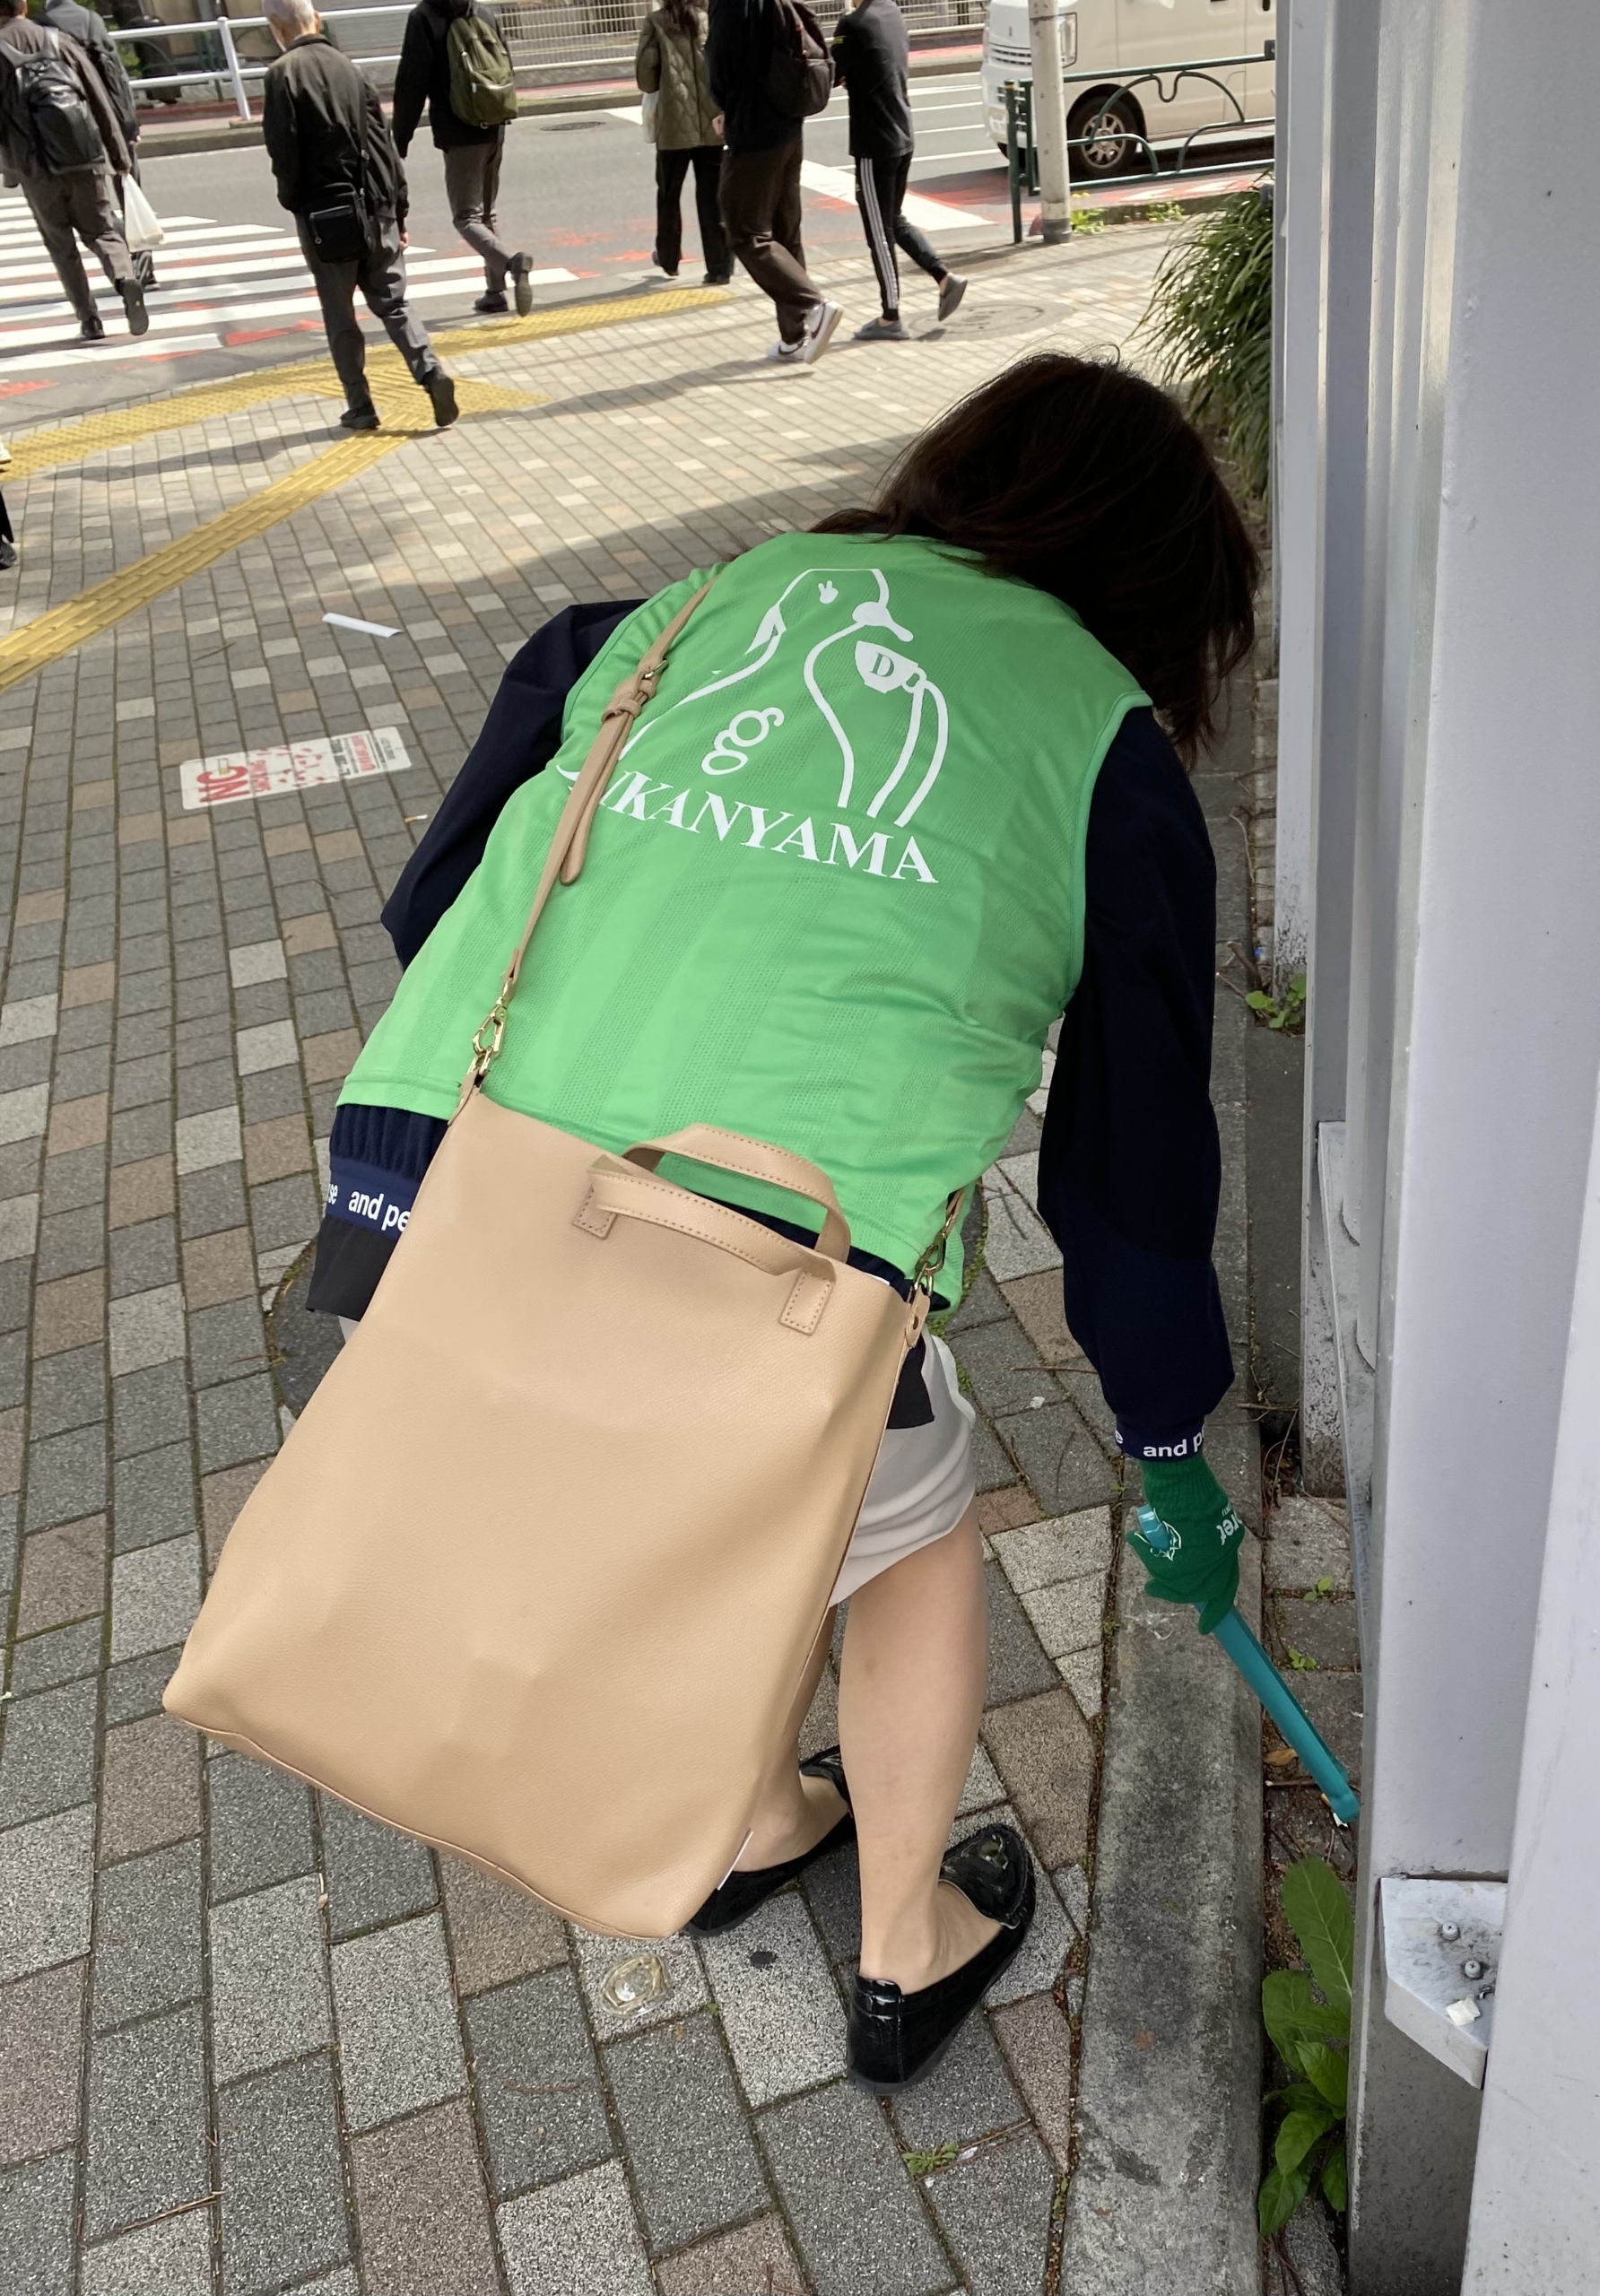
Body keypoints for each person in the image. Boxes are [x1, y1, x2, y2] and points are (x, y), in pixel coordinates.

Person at [303, 352, 1258, 2089]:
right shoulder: (1103, 749)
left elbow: (442, 893)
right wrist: (1165, 1442)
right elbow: (1127, 1169)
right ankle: (903, 1946)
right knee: (899, 1531)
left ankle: (752, 1817)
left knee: (688, 1490)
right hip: (758, 1254)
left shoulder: (678, 609)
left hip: (430, 1170)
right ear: (1154, 577)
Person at [262, 0, 457, 433]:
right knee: (394, 302)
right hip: (377, 204)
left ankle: (361, 404)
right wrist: (399, 209)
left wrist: (293, 201)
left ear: (275, 26)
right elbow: (382, 142)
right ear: (316, 18)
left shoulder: (282, 75)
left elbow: (284, 152)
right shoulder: (351, 68)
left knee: (340, 313)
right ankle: (430, 373)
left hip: (326, 215)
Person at [0, 0, 145, 346]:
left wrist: (11, 170)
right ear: (23, 6)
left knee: (61, 242)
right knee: (103, 229)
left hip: (35, 164)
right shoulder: (59, 40)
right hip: (85, 155)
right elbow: (98, 98)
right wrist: (118, 154)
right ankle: (124, 278)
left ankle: (89, 319)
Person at [706, 0, 839, 363]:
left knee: (745, 232)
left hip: (754, 130)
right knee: (785, 231)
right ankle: (794, 336)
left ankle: (814, 306)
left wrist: (726, 108)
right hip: (789, 125)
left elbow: (720, 64)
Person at [392, 0, 535, 317]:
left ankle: (513, 263)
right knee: (486, 214)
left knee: (466, 217)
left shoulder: (425, 16)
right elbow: (506, 66)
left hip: (459, 132)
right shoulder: (482, 11)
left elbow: (412, 82)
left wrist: (400, 139)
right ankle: (495, 294)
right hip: (494, 125)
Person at [831, 0, 962, 341]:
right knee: (893, 218)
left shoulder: (852, 24)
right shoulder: (892, 12)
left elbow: (829, 75)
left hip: (874, 143)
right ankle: (944, 277)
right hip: (902, 132)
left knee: (879, 231)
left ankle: (890, 317)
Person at [41, 0, 155, 291]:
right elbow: (117, 74)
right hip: (113, 116)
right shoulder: (91, 20)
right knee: (128, 188)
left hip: (73, 123)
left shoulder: (41, 27)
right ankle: (145, 266)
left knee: (93, 201)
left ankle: (122, 251)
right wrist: (130, 122)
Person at [635, 0, 730, 287]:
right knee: (713, 196)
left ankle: (669, 259)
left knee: (669, 193)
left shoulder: (656, 23)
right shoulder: (710, 19)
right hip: (713, 121)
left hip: (673, 125)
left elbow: (647, 80)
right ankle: (720, 266)